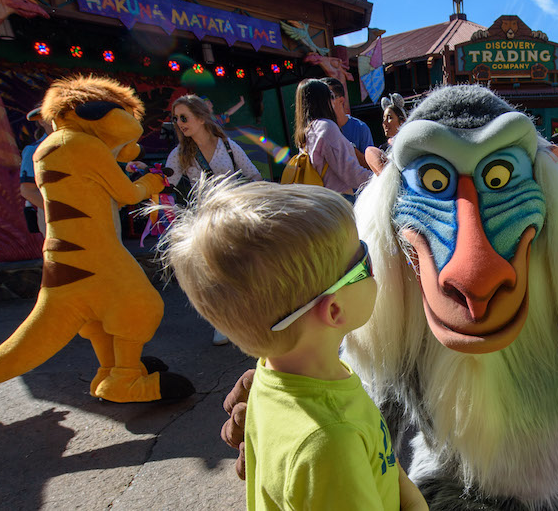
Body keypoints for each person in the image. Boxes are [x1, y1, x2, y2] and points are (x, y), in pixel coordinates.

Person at [158, 178, 427, 511]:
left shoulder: (280, 376)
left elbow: (378, 457)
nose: (374, 269)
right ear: (334, 309)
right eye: (364, 261)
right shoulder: (331, 443)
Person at [130, 94, 262, 346]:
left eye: (184, 117)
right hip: (207, 222)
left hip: (236, 217)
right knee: (215, 275)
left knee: (243, 270)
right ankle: (222, 323)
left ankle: (251, 316)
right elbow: (164, 180)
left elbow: (253, 175)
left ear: (201, 118)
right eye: (176, 118)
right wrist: (142, 172)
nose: (179, 123)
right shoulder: (180, 153)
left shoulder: (229, 146)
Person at [295, 79, 371, 200]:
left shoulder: (307, 131)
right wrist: (379, 177)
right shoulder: (326, 127)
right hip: (339, 199)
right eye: (330, 96)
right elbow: (350, 173)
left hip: (320, 200)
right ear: (322, 100)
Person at [19, 105, 55, 235]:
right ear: (41, 120)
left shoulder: (77, 144)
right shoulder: (34, 150)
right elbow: (27, 190)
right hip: (55, 217)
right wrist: (59, 212)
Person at [323, 77, 373, 155]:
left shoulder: (361, 128)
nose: (324, 103)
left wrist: (348, 147)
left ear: (341, 100)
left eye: (329, 97)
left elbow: (369, 164)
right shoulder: (319, 130)